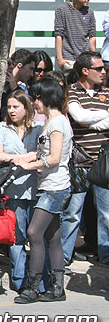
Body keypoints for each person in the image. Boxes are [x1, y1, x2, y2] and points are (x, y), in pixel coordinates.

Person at [13, 78, 72, 304]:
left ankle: (33, 287)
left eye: (37, 98)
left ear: (47, 98)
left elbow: (54, 158)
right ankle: (57, 289)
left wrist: (29, 165)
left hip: (55, 188)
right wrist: (23, 158)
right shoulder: (51, 121)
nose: (34, 102)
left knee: (34, 233)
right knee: (52, 237)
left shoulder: (57, 123)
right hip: (48, 185)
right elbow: (42, 153)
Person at [0, 90, 43, 292]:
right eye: (9, 107)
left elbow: (44, 153)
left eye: (16, 107)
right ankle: (19, 279)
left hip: (37, 189)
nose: (12, 111)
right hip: (13, 191)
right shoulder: (2, 128)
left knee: (37, 237)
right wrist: (21, 157)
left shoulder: (38, 129)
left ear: (26, 108)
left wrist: (29, 156)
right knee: (17, 237)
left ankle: (39, 280)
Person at [62, 52, 109, 266]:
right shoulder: (71, 92)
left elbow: (84, 118)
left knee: (106, 215)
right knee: (72, 214)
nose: (103, 72)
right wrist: (100, 118)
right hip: (78, 162)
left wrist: (89, 120)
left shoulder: (107, 92)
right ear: (85, 71)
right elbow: (78, 117)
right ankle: (63, 258)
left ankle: (105, 258)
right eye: (98, 68)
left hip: (104, 163)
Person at [54, 0, 96, 69]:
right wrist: (60, 59)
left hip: (85, 59)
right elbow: (58, 35)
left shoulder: (90, 13)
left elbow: (92, 36)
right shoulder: (62, 10)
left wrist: (94, 59)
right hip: (68, 59)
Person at [0, 49, 36, 120]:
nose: (32, 74)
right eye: (30, 68)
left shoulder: (23, 88)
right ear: (20, 66)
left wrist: (15, 88)